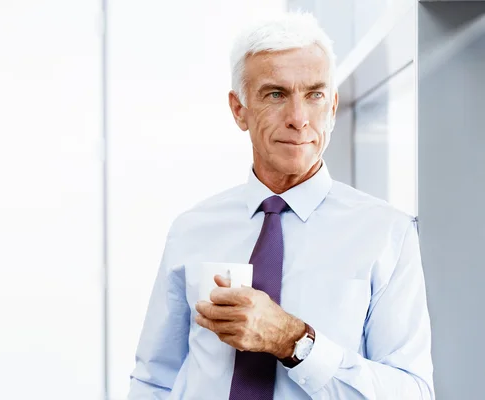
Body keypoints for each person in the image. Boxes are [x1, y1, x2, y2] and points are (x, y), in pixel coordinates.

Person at [127, 11, 434, 400]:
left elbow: (413, 392)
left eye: (315, 95)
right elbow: (155, 381)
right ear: (239, 109)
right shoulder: (191, 229)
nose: (299, 119)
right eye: (276, 94)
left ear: (334, 107)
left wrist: (294, 341)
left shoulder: (388, 233)